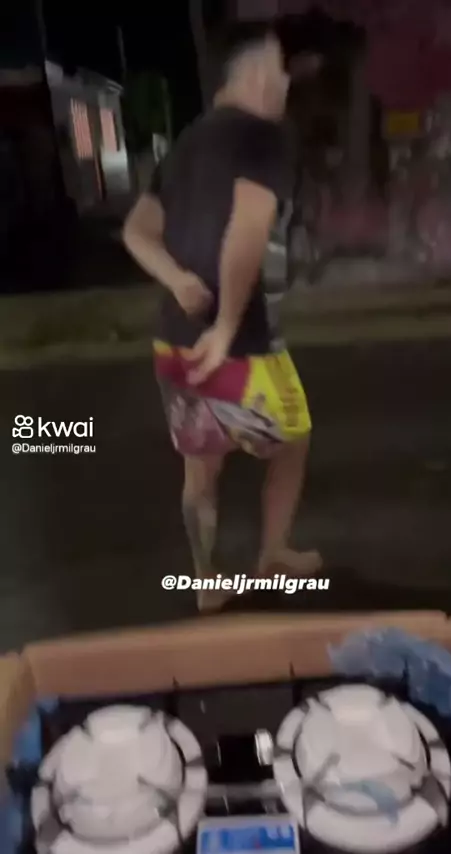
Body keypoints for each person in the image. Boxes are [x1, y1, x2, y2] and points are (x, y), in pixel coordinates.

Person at [123, 23, 322, 610]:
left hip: (174, 342)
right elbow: (249, 228)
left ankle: (206, 581)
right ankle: (273, 553)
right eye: (279, 71)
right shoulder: (265, 136)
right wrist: (227, 326)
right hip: (241, 344)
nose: (285, 83)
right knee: (293, 439)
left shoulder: (185, 145)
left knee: (201, 469)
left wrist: (176, 279)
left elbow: (137, 231)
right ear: (256, 76)